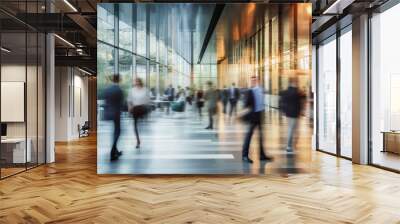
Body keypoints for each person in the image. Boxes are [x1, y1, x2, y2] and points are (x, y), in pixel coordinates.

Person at [241, 76, 272, 163]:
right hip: (252, 117)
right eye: (252, 81)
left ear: (258, 81)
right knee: (248, 136)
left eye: (255, 80)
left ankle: (262, 155)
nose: (253, 82)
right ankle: (244, 156)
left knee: (261, 137)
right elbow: (246, 105)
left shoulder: (260, 89)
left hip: (260, 115)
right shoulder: (249, 91)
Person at [279, 77, 305, 152]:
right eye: (296, 81)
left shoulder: (286, 91)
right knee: (293, 130)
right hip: (295, 113)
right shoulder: (297, 91)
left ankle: (290, 145)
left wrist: (283, 111)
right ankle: (289, 146)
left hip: (288, 113)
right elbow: (301, 100)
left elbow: (282, 102)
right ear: (294, 82)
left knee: (291, 129)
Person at [103, 74, 123, 161]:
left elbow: (106, 101)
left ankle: (116, 150)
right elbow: (121, 103)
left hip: (108, 113)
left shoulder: (107, 89)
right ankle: (112, 152)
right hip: (116, 113)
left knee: (114, 132)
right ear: (119, 80)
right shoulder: (119, 90)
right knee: (117, 132)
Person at [127, 78, 150, 149]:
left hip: (143, 108)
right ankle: (138, 140)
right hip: (135, 109)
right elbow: (129, 100)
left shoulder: (145, 90)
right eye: (136, 82)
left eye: (138, 81)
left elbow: (147, 100)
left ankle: (139, 138)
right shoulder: (132, 90)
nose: (137, 83)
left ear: (140, 82)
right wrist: (129, 107)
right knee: (135, 125)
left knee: (141, 126)